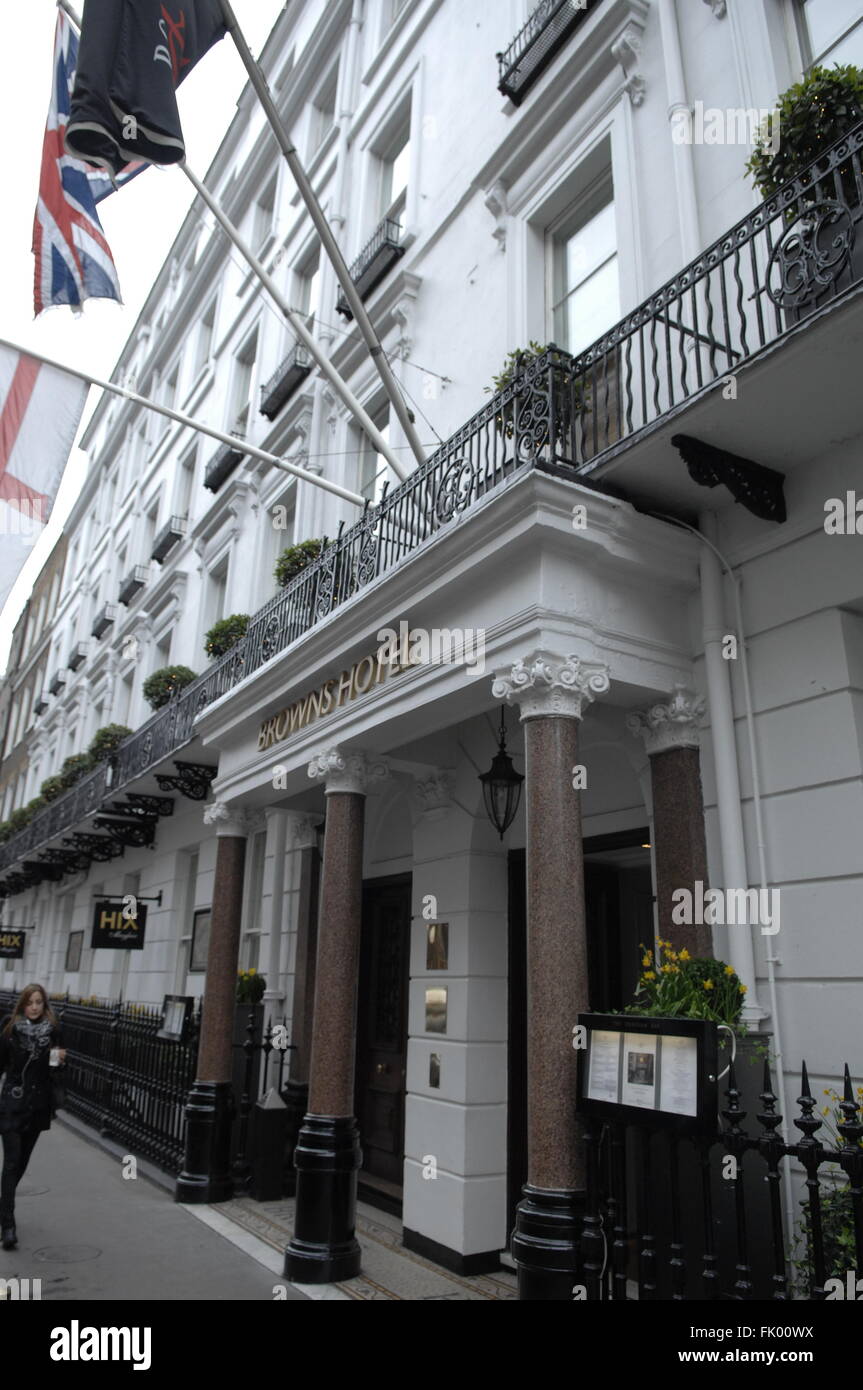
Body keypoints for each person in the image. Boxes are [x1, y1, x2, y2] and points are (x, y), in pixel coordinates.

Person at [0, 984, 66, 1250]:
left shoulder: (54, 1030)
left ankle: (4, 1203)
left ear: (44, 1004)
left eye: (39, 1002)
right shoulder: (10, 1030)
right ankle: (8, 1226)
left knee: (23, 1163)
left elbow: (57, 1070)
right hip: (11, 1103)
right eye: (30, 1002)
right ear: (22, 1005)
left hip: (38, 1105)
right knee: (12, 1162)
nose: (35, 1006)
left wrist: (60, 1060)